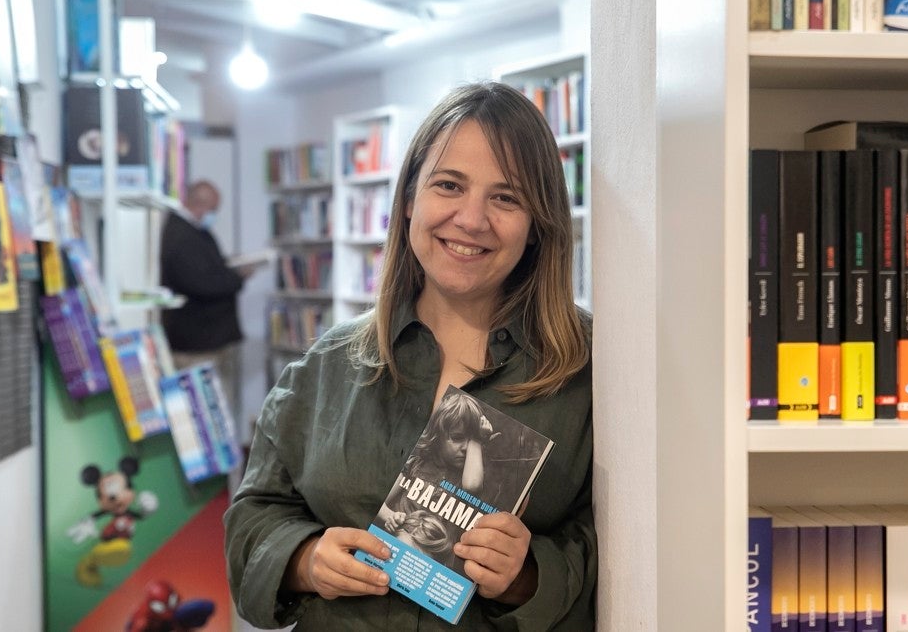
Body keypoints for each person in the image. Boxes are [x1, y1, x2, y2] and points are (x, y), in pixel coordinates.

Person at [224, 81, 595, 630]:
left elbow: (625, 550)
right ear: (408, 200)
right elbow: (252, 517)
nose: (471, 219)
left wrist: (528, 575)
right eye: (449, 185)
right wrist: (306, 560)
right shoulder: (328, 365)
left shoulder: (587, 371)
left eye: (506, 197)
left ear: (538, 224)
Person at [159, 180, 254, 427]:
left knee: (216, 411)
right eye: (213, 209)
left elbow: (207, 269)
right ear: (198, 204)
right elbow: (201, 282)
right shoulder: (181, 234)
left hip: (207, 339)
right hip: (196, 342)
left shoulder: (193, 231)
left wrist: (227, 268)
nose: (213, 216)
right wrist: (236, 276)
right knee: (205, 417)